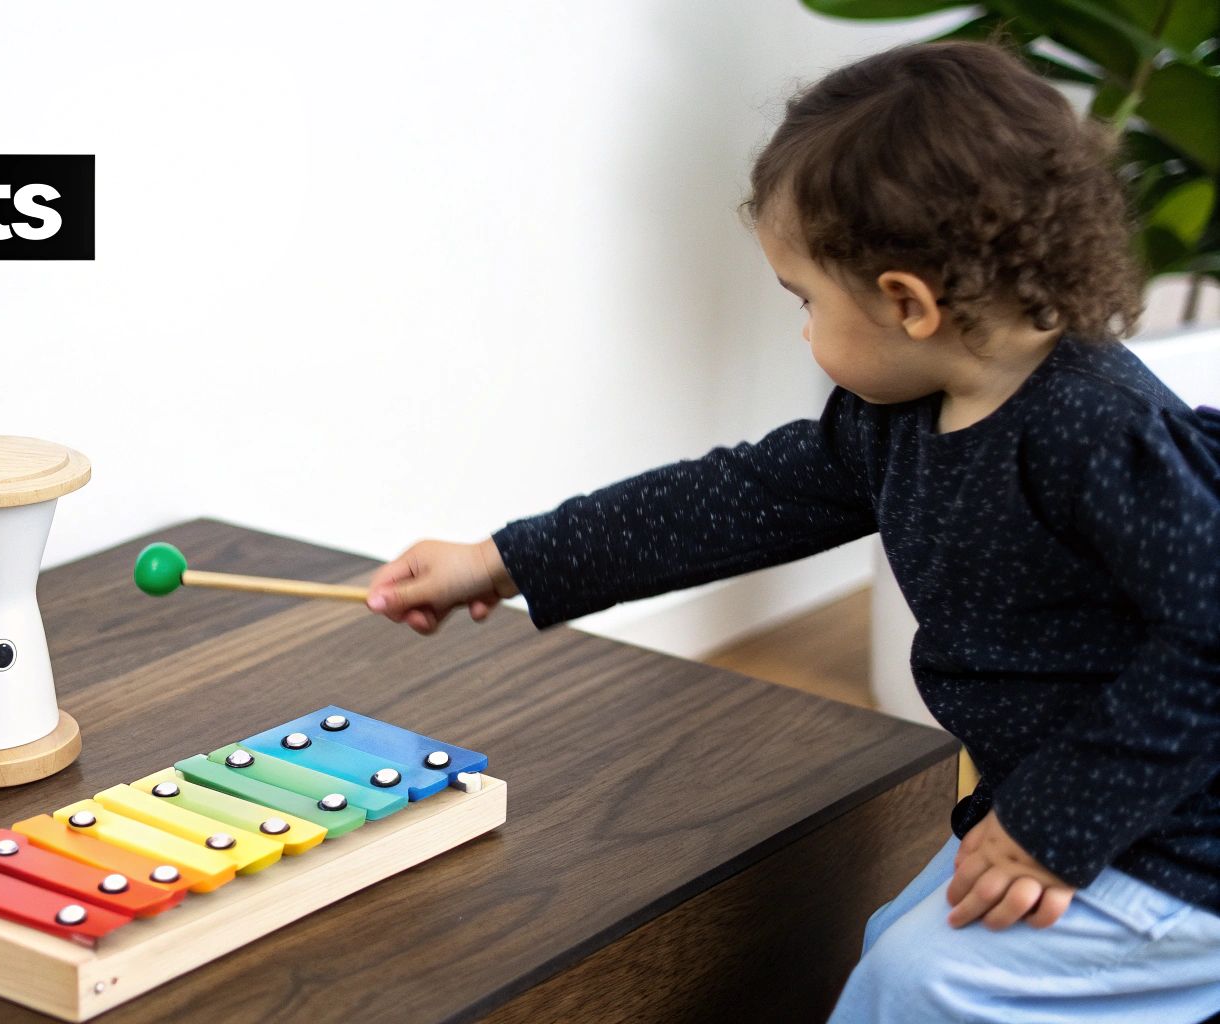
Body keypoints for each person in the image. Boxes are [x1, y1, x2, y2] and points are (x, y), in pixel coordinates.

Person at [365, 41, 1220, 1022]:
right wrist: (502, 559)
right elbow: (728, 501)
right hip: (1056, 794)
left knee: (917, 985)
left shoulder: (1094, 429)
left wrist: (1053, 824)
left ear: (906, 301)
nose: (801, 329)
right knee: (883, 952)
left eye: (803, 299)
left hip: (1175, 831)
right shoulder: (893, 419)